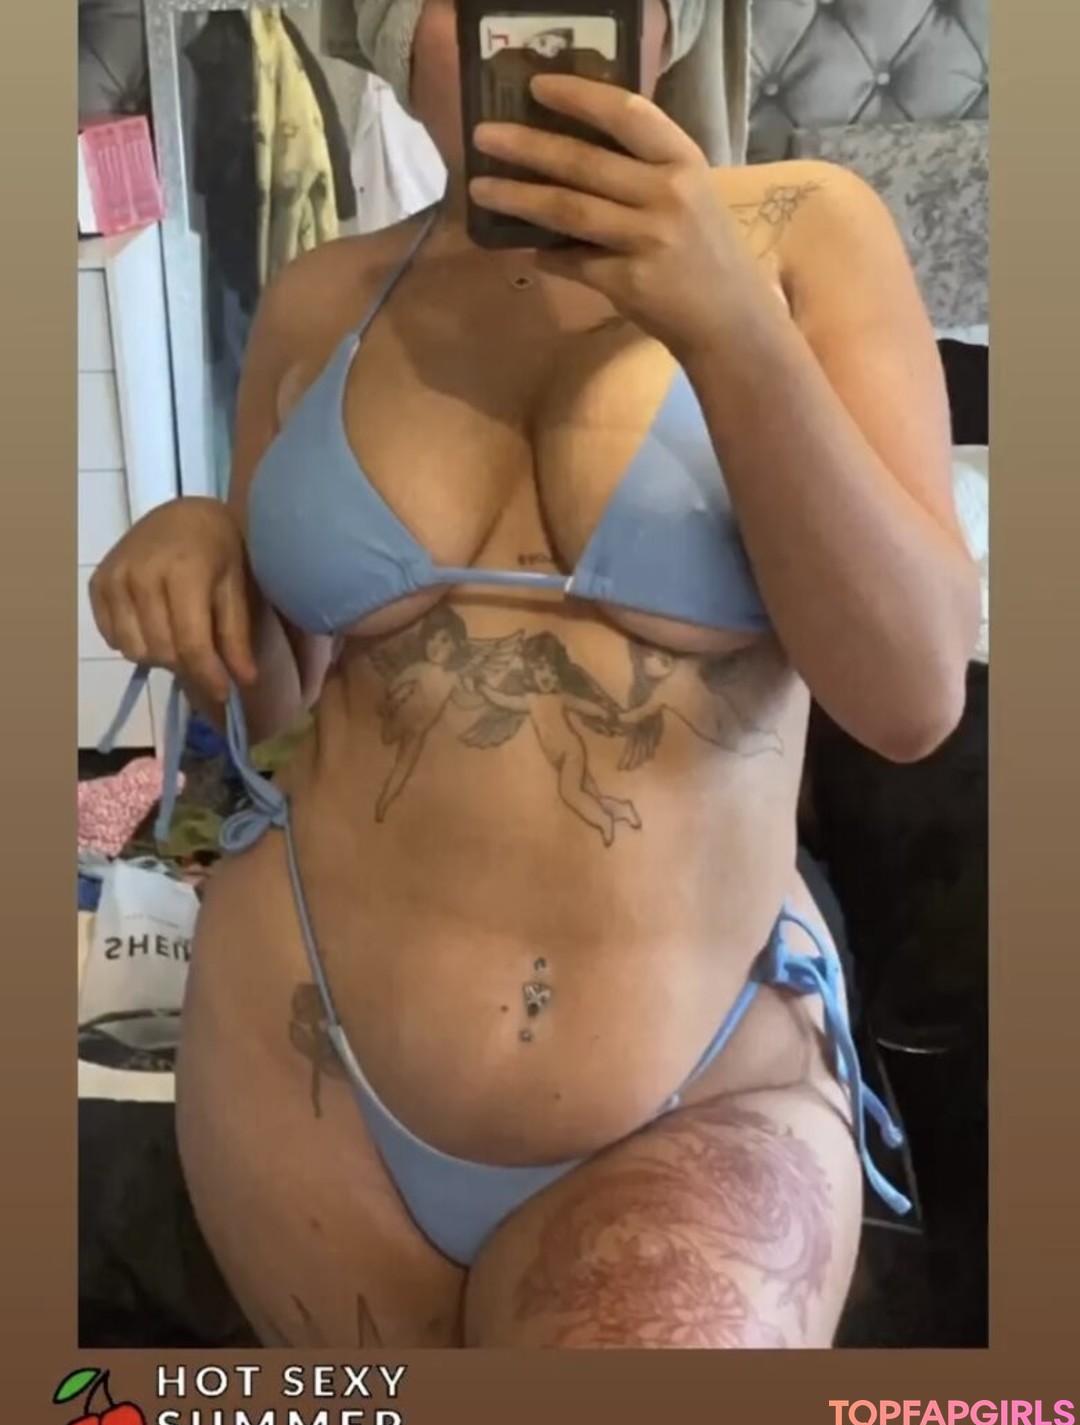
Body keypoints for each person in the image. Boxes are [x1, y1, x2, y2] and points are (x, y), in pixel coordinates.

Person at [88, 0, 980, 1349]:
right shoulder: (323, 295)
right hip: (302, 1086)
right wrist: (200, 550)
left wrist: (730, 330)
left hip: (690, 1095)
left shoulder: (808, 234)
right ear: (403, 35)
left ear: (666, 22)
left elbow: (912, 699)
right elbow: (275, 714)